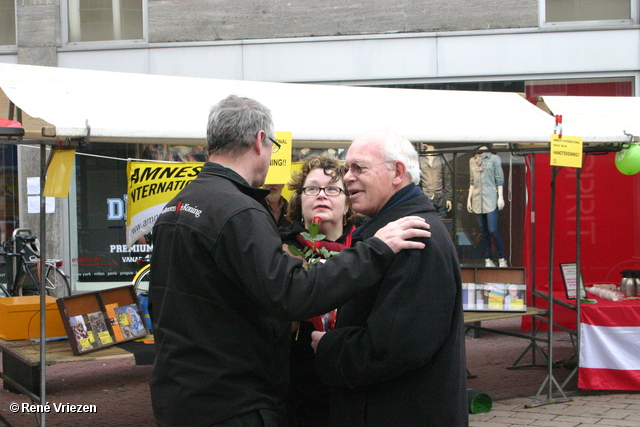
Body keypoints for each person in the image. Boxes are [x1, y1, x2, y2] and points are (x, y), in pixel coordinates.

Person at [148, 95, 431, 427]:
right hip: (231, 403)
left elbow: (172, 301)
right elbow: (292, 294)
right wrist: (378, 250)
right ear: (260, 141)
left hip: (179, 395)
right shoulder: (239, 211)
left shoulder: (177, 206)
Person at [311, 130, 468, 426]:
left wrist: (329, 347)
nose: (347, 177)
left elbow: (395, 348)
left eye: (359, 168)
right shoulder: (393, 231)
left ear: (397, 172)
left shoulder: (414, 238)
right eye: (347, 169)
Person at [280, 155, 361, 427]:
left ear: (348, 201)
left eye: (332, 189)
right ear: (299, 200)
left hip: (356, 383)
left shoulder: (369, 247)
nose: (322, 195)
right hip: (297, 390)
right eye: (312, 188)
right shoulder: (280, 250)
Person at [466, 145, 508, 268]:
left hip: (490, 198)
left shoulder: (494, 159)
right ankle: (488, 259)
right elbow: (472, 181)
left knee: (493, 229)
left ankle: (502, 258)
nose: (480, 153)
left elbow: (499, 179)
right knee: (483, 232)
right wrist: (469, 199)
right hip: (477, 199)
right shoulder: (472, 161)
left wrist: (500, 197)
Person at [419, 144, 452, 219]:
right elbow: (417, 179)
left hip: (440, 197)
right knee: (427, 222)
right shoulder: (420, 158)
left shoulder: (441, 157)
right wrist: (420, 196)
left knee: (441, 224)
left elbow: (447, 178)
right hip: (426, 197)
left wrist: (448, 198)